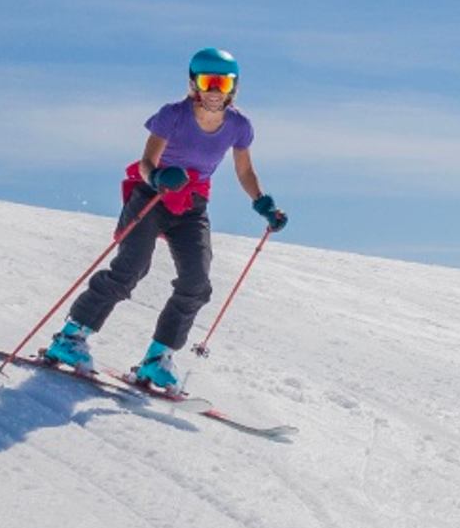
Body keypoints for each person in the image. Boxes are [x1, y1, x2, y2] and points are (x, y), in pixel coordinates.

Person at [42, 48, 288, 389]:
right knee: (131, 268)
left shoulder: (239, 126)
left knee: (197, 283)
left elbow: (244, 169)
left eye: (223, 82)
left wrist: (262, 203)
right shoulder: (172, 115)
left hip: (193, 205)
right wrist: (158, 177)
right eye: (207, 80)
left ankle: (157, 358)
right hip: (153, 196)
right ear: (194, 82)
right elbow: (146, 163)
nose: (215, 90)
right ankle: (70, 337)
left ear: (234, 86)